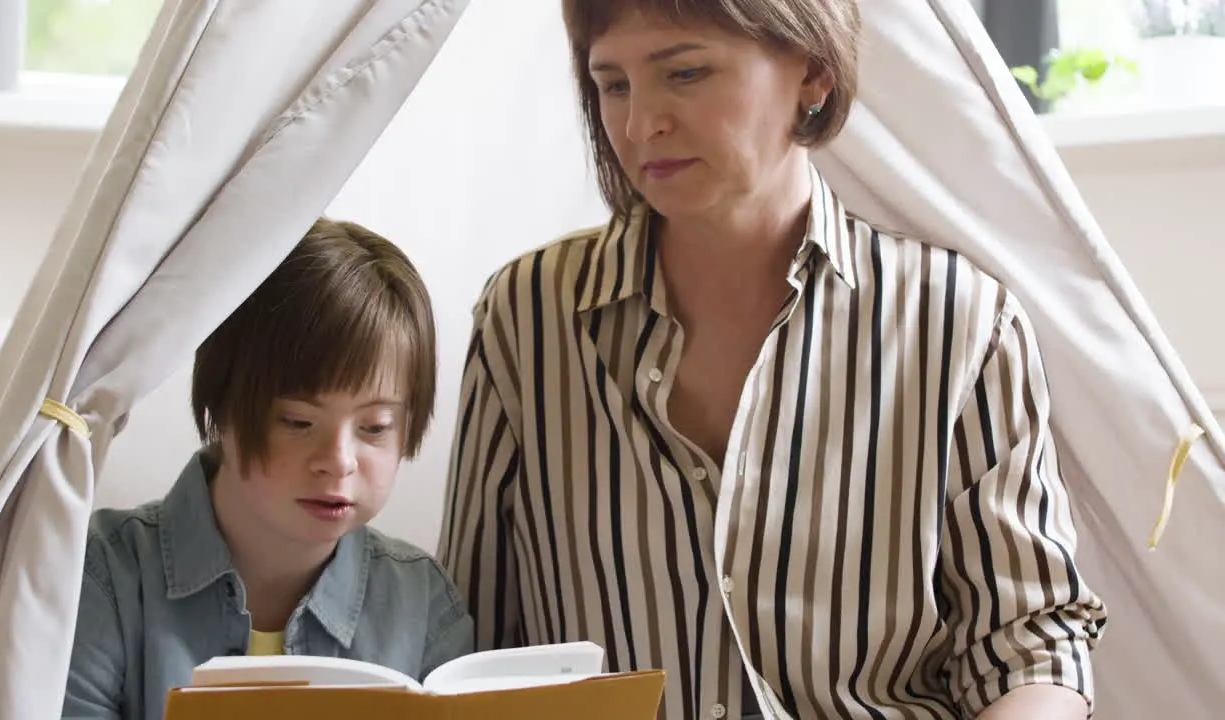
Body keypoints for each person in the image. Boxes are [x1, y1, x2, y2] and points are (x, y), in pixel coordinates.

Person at [437, 1, 1106, 719]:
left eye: (685, 73)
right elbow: (471, 638)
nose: (640, 126)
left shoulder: (960, 322)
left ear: (813, 72)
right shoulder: (526, 318)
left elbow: (1030, 641)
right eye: (613, 85)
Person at [63, 218, 474, 719]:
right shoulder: (103, 577)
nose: (339, 462)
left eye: (375, 427)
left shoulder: (423, 603)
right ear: (223, 406)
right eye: (298, 421)